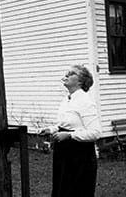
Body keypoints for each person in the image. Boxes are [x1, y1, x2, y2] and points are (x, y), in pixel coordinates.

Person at [40, 65, 101, 197]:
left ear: (80, 81)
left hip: (80, 155)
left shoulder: (86, 101)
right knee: (61, 190)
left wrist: (69, 135)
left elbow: (96, 132)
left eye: (71, 73)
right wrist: (51, 129)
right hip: (63, 153)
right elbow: (66, 124)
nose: (66, 75)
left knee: (76, 191)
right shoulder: (67, 100)